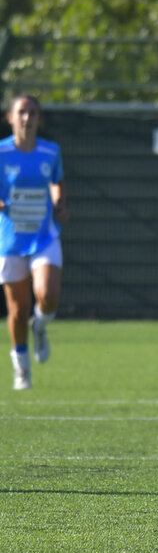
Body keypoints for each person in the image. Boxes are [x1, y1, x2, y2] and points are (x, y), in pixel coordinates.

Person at [0, 94, 69, 391]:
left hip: (43, 236)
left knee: (48, 294)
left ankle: (39, 327)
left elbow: (57, 181)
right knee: (18, 308)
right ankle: (22, 369)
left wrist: (60, 202)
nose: (27, 118)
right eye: (22, 112)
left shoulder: (50, 151)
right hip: (11, 238)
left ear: (39, 119)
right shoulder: (1, 153)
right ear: (10, 117)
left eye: (33, 113)